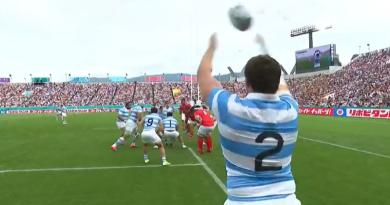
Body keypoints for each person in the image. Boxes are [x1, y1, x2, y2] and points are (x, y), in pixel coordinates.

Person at [197, 34, 300, 205]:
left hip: (243, 200)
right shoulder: (291, 109)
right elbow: (282, 86)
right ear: (277, 81)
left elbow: (203, 76)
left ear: (247, 82)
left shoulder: (230, 107)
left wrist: (211, 48)